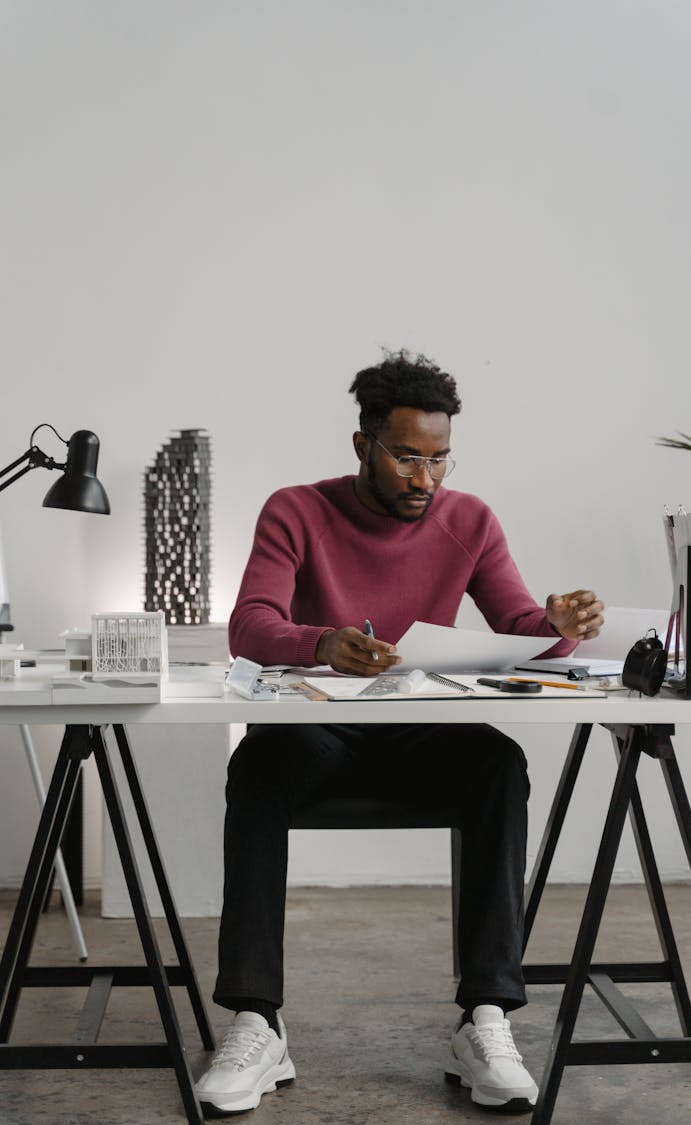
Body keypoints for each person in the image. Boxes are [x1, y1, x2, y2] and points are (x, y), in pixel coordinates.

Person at [195, 350, 604, 1117]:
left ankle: (486, 1017)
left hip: (422, 732)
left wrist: (558, 626)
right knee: (259, 761)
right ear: (364, 446)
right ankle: (256, 1021)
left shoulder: (470, 519)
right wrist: (322, 642)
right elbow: (250, 625)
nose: (426, 479)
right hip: (318, 732)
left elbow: (518, 625)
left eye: (440, 459)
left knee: (496, 761)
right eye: (409, 457)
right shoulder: (296, 509)